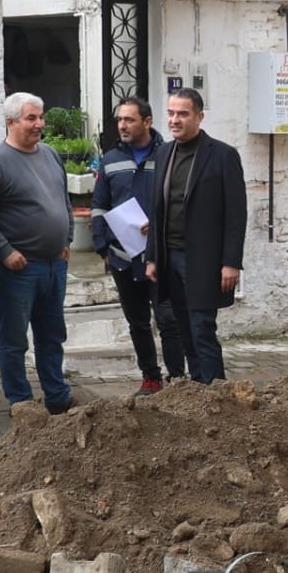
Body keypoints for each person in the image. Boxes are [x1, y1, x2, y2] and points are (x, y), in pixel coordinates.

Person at [0, 92, 74, 414]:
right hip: (19, 269)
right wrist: (4, 252)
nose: (40, 124)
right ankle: (20, 401)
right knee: (15, 339)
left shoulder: (49, 154)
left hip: (54, 265)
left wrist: (67, 238)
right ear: (11, 122)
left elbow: (64, 200)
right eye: (31, 118)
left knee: (52, 335)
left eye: (40, 117)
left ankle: (57, 395)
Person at [145, 88, 246, 384]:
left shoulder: (223, 155)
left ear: (199, 117)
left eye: (183, 114)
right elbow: (157, 208)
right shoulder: (164, 152)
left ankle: (217, 394)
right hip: (169, 257)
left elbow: (236, 214)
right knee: (183, 328)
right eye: (171, 113)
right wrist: (152, 257)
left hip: (203, 259)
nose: (175, 120)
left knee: (202, 328)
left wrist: (231, 262)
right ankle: (197, 393)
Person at [92, 97, 185, 395]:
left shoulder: (170, 155)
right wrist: (102, 247)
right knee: (138, 323)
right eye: (120, 120)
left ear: (147, 121)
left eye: (129, 120)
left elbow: (181, 203)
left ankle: (178, 379)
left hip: (162, 256)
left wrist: (159, 224)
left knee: (169, 320)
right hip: (123, 257)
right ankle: (151, 378)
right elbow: (99, 205)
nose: (122, 125)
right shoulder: (110, 160)